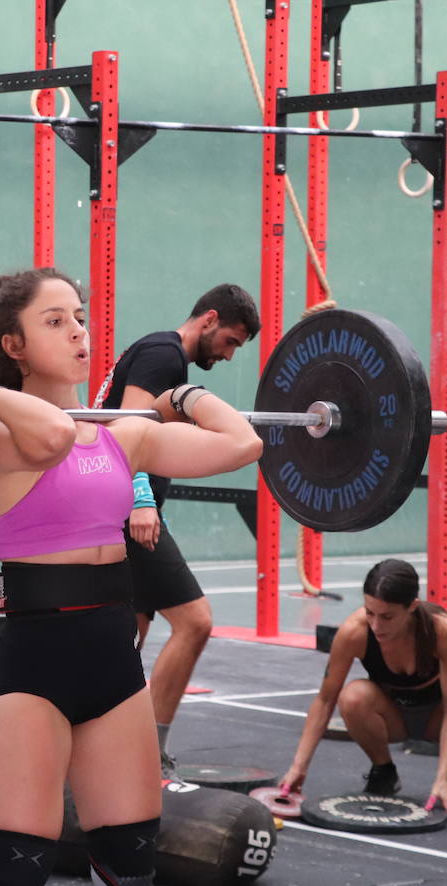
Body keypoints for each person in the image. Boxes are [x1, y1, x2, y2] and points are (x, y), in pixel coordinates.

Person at [0, 268, 262, 886]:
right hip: (33, 671)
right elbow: (55, 435)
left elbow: (243, 443)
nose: (78, 331)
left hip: (114, 672)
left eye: (79, 316)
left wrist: (183, 395)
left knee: (130, 885)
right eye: (54, 321)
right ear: (14, 346)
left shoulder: (125, 436)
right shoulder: (4, 438)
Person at [93, 284, 260, 777]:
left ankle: (99, 747)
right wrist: (141, 499)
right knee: (195, 621)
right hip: (127, 507)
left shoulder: (159, 353)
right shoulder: (165, 354)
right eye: (230, 341)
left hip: (117, 505)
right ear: (209, 319)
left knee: (130, 637)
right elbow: (128, 425)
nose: (229, 355)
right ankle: (149, 754)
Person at [277, 558, 447, 812]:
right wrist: (298, 767)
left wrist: (441, 776)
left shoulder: (441, 630)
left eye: (387, 616)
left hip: (438, 718)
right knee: (352, 696)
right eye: (369, 612)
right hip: (391, 719)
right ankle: (384, 771)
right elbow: (324, 700)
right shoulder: (354, 632)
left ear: (412, 607)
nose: (376, 625)